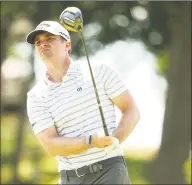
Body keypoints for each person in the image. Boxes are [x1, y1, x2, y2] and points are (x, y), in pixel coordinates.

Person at [26, 20, 140, 184]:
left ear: (67, 44)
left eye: (49, 38)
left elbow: (131, 110)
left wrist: (116, 138)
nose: (42, 44)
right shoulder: (36, 96)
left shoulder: (98, 71)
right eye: (38, 42)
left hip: (109, 171)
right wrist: (90, 141)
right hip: (70, 178)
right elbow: (50, 144)